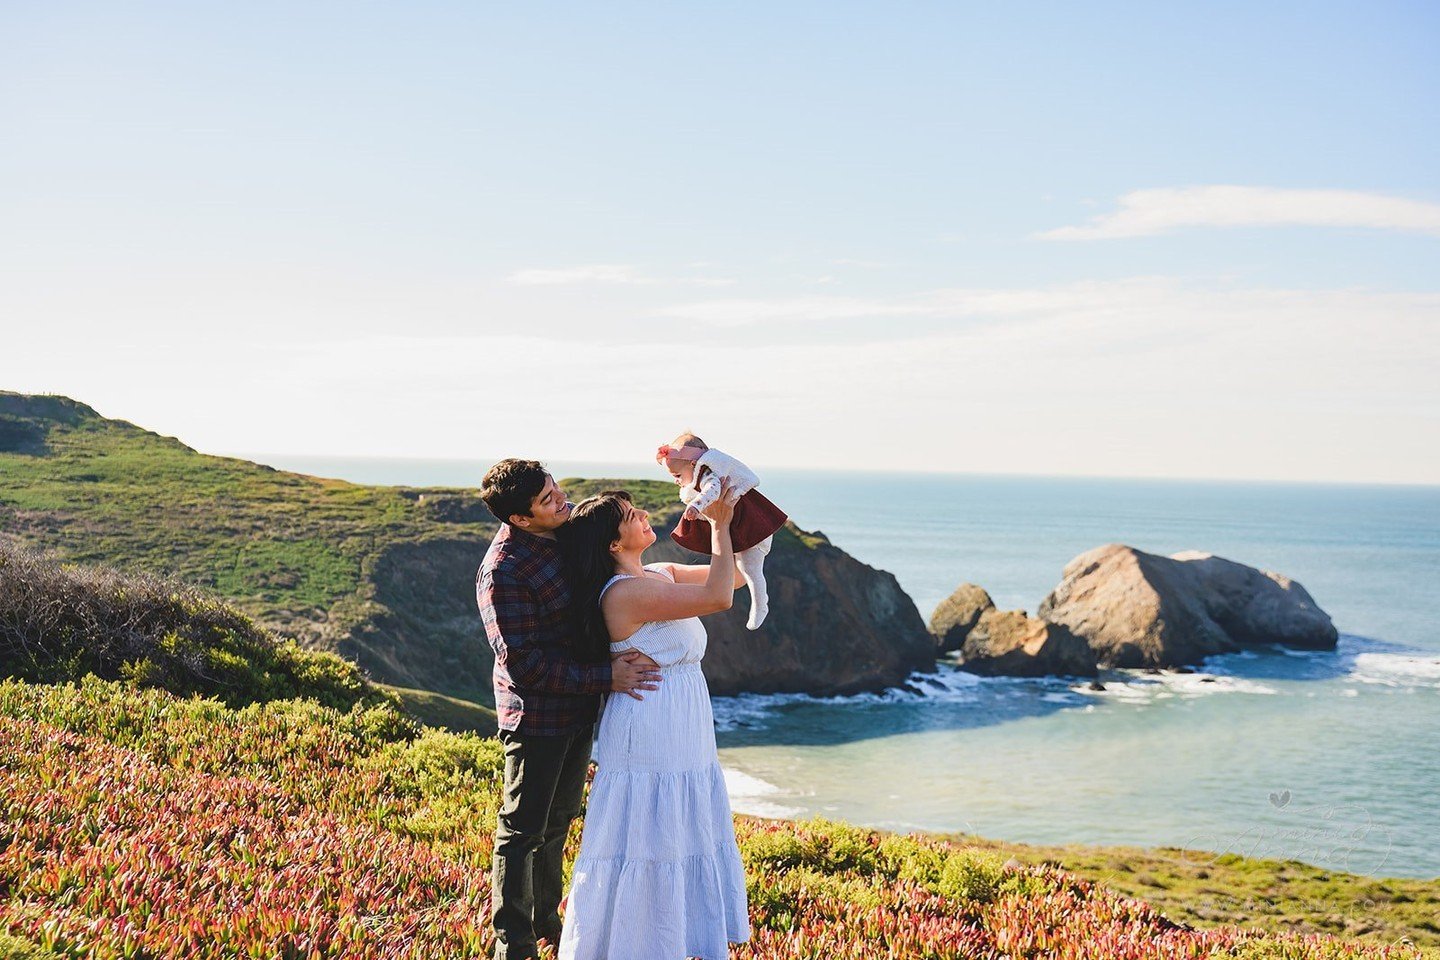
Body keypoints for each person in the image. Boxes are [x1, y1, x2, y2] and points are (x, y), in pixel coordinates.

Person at [477, 459, 664, 960]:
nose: (560, 500)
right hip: (536, 718)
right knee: (521, 831)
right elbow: (527, 667)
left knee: (559, 821)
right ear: (520, 519)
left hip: (580, 708)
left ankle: (547, 922)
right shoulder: (504, 571)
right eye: (546, 500)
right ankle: (513, 945)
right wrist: (609, 676)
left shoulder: (563, 533)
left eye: (555, 489)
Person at [555, 486, 751, 960]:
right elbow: (719, 597)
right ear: (612, 544)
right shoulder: (625, 594)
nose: (643, 513)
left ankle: (671, 940)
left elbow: (739, 575)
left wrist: (722, 509)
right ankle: (631, 946)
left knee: (676, 829)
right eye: (629, 515)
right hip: (649, 724)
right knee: (645, 832)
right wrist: (720, 526)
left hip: (682, 720)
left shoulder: (659, 573)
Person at [657, 432, 788, 630]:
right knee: (744, 568)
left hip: (753, 530)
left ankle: (761, 604)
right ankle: (760, 603)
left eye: (677, 475)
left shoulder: (708, 475)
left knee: (750, 569)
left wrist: (696, 506)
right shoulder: (701, 475)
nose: (677, 481)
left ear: (693, 464)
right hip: (743, 529)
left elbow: (713, 490)